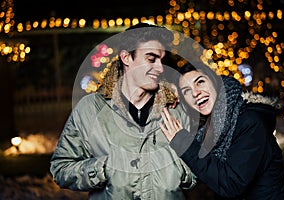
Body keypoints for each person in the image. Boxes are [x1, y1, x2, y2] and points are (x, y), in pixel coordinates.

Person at [50, 23, 197, 200]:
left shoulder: (176, 109)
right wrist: (104, 168)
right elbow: (61, 168)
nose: (160, 68)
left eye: (161, 60)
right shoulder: (89, 109)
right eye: (151, 59)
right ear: (126, 57)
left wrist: (175, 169)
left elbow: (197, 168)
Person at [160, 60, 284, 199]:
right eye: (186, 90)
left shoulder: (249, 121)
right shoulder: (207, 129)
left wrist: (184, 143)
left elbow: (231, 183)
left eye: (200, 82)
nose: (195, 93)